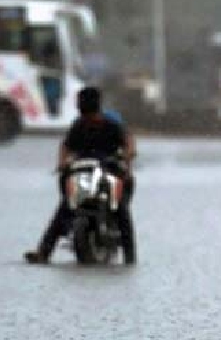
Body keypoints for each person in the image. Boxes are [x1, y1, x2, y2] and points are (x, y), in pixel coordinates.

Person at [23, 87, 137, 265]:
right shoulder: (78, 126)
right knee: (65, 207)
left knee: (121, 210)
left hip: (108, 171)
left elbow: (128, 142)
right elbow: (65, 146)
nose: (88, 119)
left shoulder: (112, 126)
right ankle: (43, 252)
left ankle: (130, 257)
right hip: (83, 172)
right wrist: (62, 163)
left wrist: (127, 156)